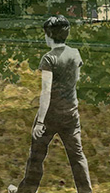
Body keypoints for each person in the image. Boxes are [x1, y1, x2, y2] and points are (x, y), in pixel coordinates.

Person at [10, 14, 93, 193]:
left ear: (49, 35)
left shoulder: (48, 59)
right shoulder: (75, 54)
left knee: (37, 157)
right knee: (77, 157)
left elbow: (46, 92)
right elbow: (74, 81)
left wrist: (40, 121)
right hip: (71, 113)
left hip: (50, 116)